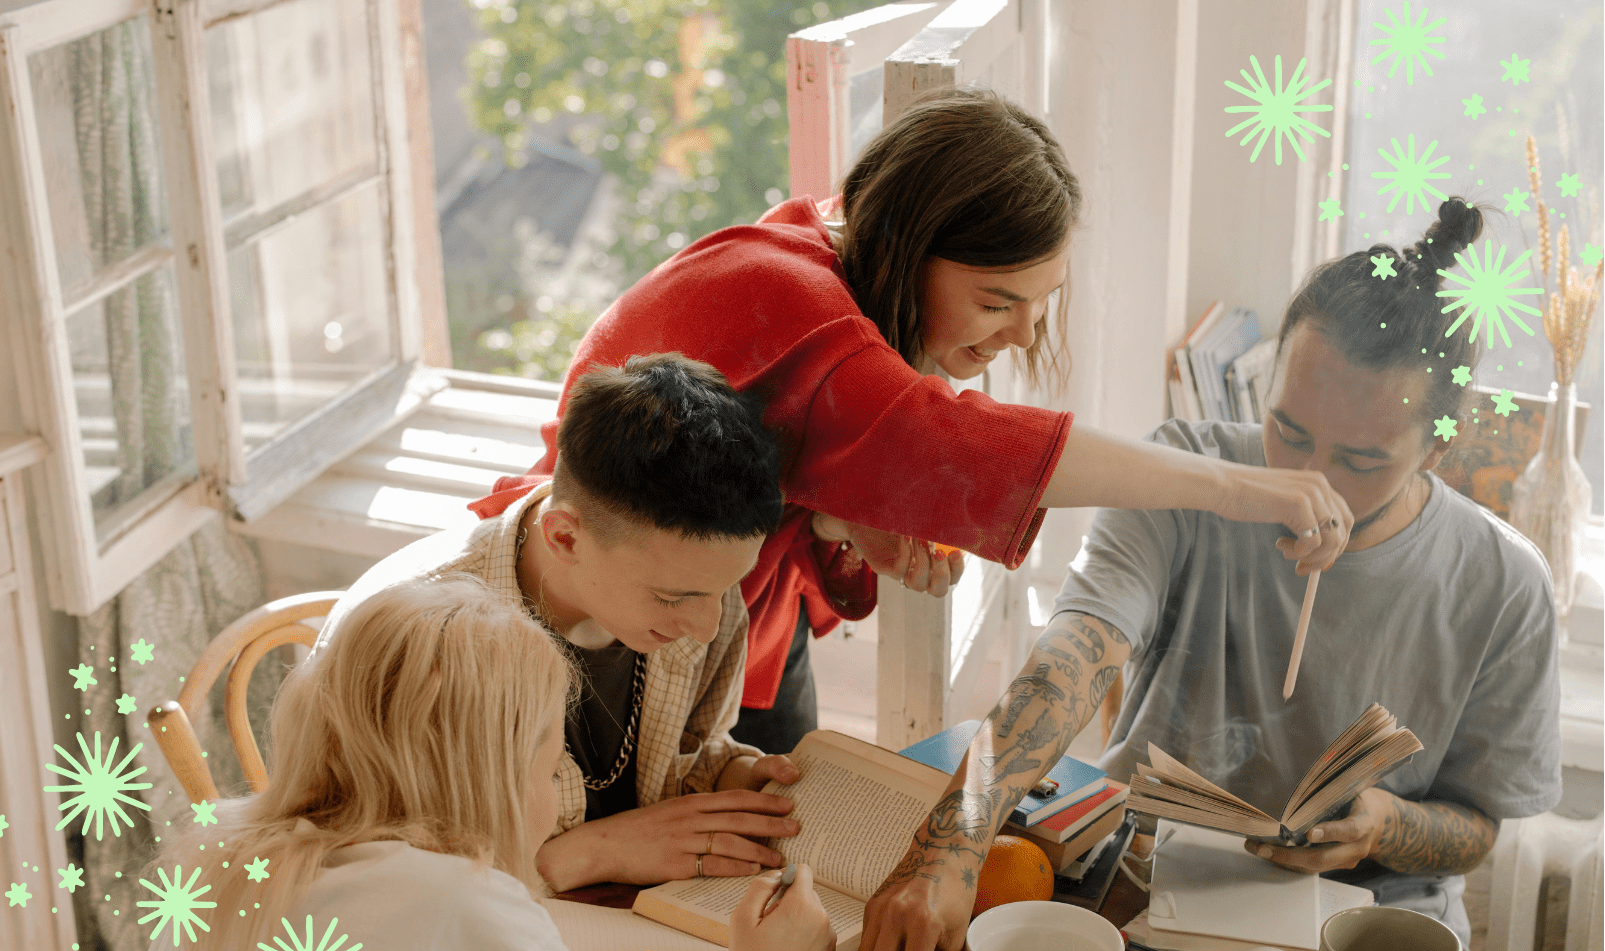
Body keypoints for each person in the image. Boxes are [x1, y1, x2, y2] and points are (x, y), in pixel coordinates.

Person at [469, 87, 1353, 761]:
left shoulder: (813, 249)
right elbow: (962, 441)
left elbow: (786, 434)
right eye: (995, 301)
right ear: (903, 246)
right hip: (612, 627)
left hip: (732, 624)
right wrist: (1238, 487)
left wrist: (835, 513)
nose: (1018, 335)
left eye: (1039, 305)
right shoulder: (798, 306)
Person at [859, 197, 1562, 951]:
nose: (1314, 482)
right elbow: (1075, 656)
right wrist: (949, 847)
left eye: (1361, 459)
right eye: (1289, 433)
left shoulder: (1506, 584)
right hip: (1146, 919)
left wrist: (1383, 824)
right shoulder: (1184, 475)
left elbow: (1476, 826)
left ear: (1439, 442)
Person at [108, 577, 837, 951]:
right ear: (491, 777)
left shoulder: (218, 856)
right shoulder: (446, 907)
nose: (552, 803)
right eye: (548, 768)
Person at [320, 354, 804, 894]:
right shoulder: (421, 640)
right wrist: (584, 856)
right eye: (674, 598)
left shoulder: (696, 579)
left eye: (724, 588)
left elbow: (689, 751)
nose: (709, 626)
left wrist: (730, 781)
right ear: (565, 537)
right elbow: (372, 883)